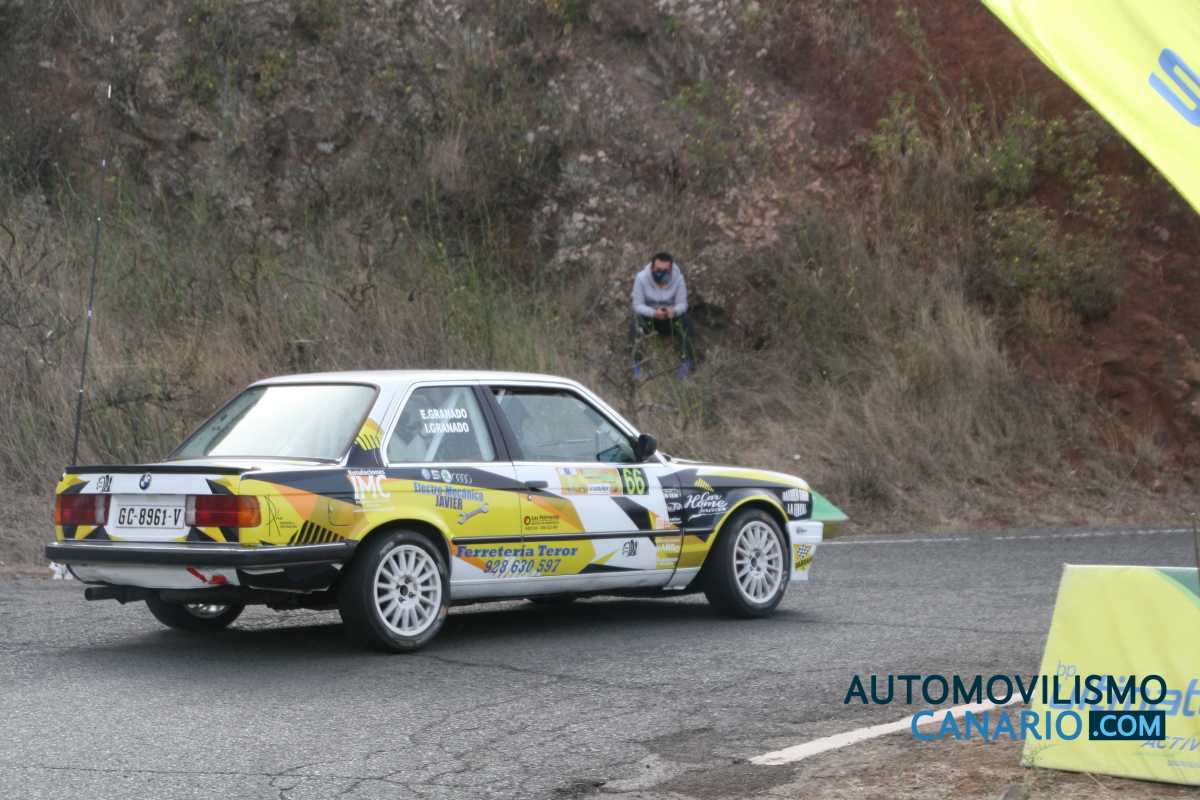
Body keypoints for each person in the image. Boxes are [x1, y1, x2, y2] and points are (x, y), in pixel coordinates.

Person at [630, 251, 696, 379]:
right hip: (650, 318)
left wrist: (674, 311)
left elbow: (682, 304)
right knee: (636, 323)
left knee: (686, 323)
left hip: (670, 318)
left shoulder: (678, 279)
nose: (661, 273)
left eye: (665, 270)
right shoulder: (641, 278)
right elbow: (637, 305)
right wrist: (654, 313)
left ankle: (686, 362)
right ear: (652, 267)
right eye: (658, 270)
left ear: (670, 269)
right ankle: (636, 364)